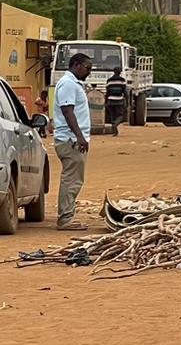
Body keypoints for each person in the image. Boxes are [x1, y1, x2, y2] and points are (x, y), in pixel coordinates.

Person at [51, 52, 93, 230]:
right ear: (76, 65)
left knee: (74, 178)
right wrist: (79, 136)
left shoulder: (73, 83)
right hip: (70, 140)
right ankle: (66, 219)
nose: (89, 71)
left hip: (71, 138)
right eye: (87, 67)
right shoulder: (68, 84)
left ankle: (67, 215)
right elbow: (68, 112)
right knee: (71, 180)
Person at [103, 68, 128, 137]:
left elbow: (107, 92)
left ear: (113, 72)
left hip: (110, 100)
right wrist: (127, 102)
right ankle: (115, 125)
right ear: (120, 72)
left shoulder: (109, 80)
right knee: (120, 116)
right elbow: (125, 92)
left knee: (112, 116)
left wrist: (105, 102)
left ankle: (115, 132)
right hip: (119, 100)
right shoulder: (122, 80)